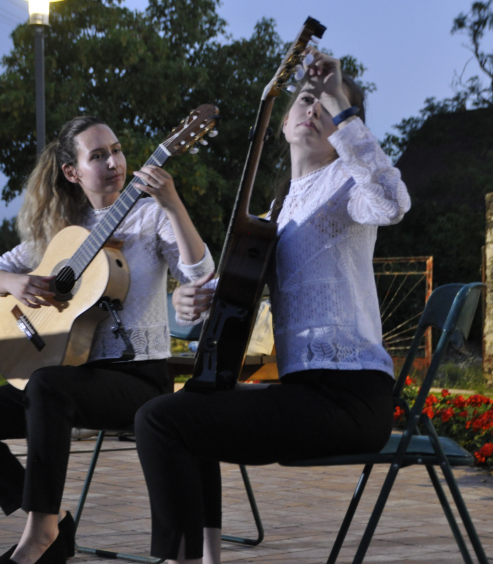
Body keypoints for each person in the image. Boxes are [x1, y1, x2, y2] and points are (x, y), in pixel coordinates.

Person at [134, 47, 411, 564]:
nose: (314, 109)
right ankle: (205, 557)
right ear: (282, 122)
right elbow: (232, 295)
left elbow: (392, 202)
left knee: (161, 422)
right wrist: (191, 298)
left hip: (351, 399)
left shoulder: (349, 185)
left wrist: (337, 97)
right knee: (186, 409)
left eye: (328, 105)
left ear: (345, 127)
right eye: (306, 100)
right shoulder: (276, 211)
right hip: (305, 392)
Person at [0, 116, 214, 564]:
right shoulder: (65, 227)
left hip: (137, 379)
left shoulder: (150, 217)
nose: (114, 162)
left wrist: (173, 205)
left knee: (47, 385)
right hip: (69, 379)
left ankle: (40, 534)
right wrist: (14, 282)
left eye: (116, 149)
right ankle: (56, 522)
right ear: (72, 172)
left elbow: (200, 273)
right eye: (98, 155)